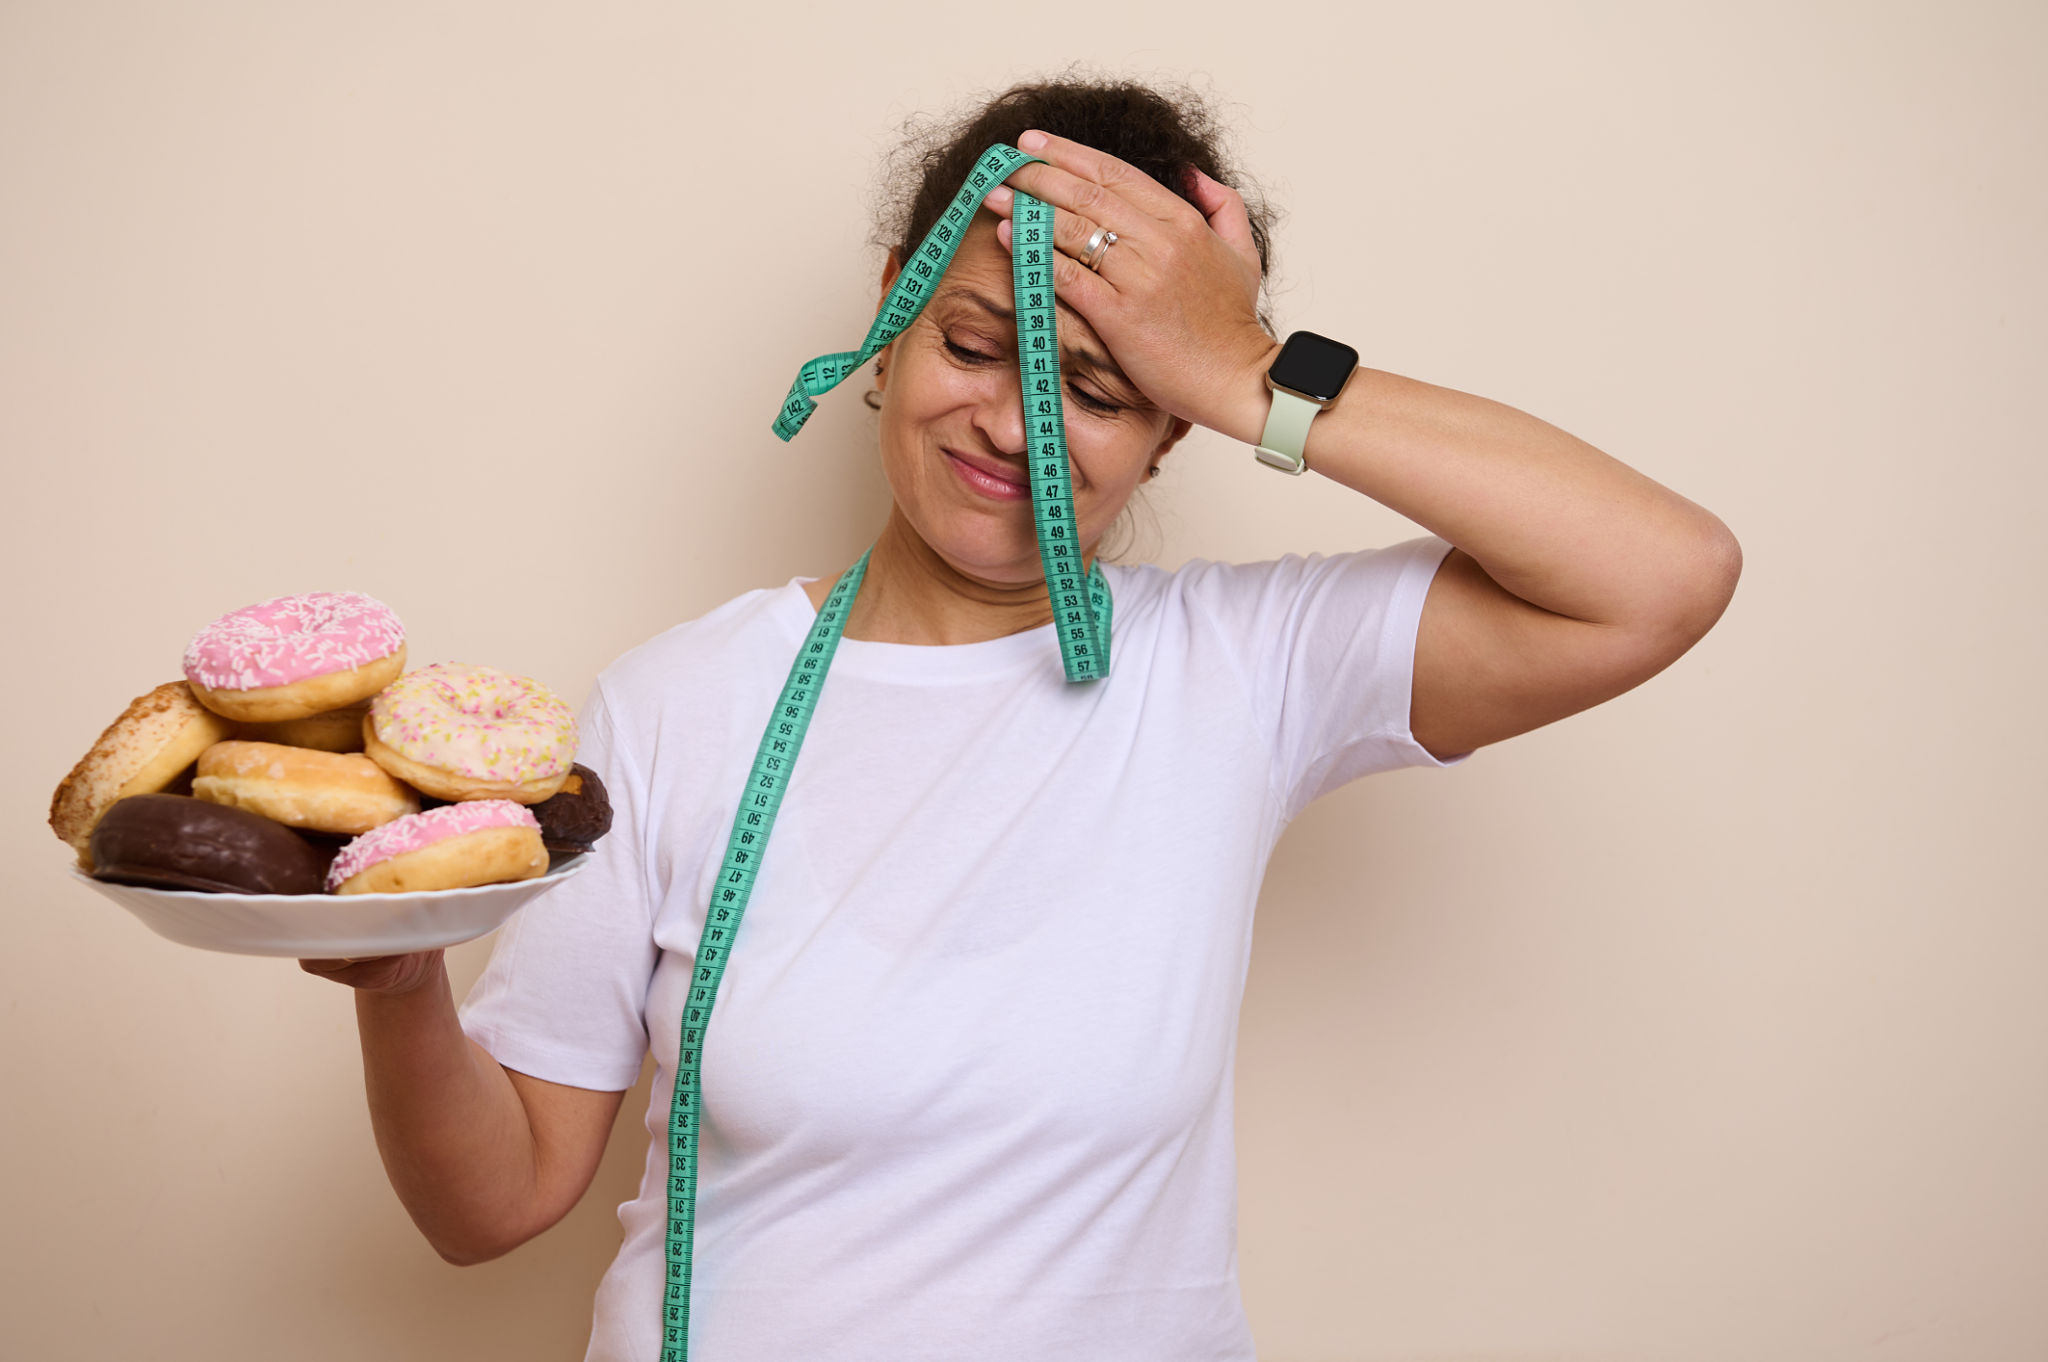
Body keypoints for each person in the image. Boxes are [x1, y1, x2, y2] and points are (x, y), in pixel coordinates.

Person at [301, 75, 1740, 1361]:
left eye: (1101, 387)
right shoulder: (677, 704)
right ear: (891, 315)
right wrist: (397, 981)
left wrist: (1249, 368)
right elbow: (494, 1203)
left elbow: (1660, 577)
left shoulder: (1245, 668)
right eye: (978, 344)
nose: (1014, 423)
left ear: (1174, 425)